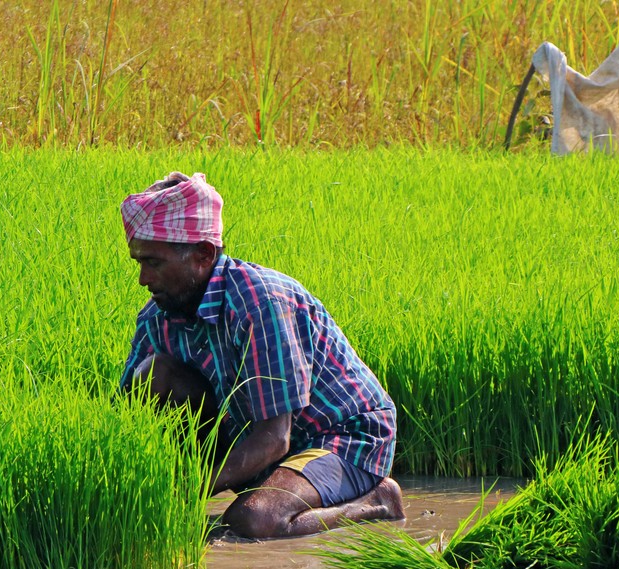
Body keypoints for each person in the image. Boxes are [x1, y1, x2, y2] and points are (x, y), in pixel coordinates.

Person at [118, 171, 405, 539]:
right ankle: (266, 492)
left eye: (154, 263)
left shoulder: (260, 303)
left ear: (203, 255)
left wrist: (190, 491)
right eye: (138, 262)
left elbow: (275, 438)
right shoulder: (157, 318)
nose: (143, 278)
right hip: (252, 433)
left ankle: (377, 501)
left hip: (338, 437)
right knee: (152, 375)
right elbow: (124, 419)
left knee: (253, 521)